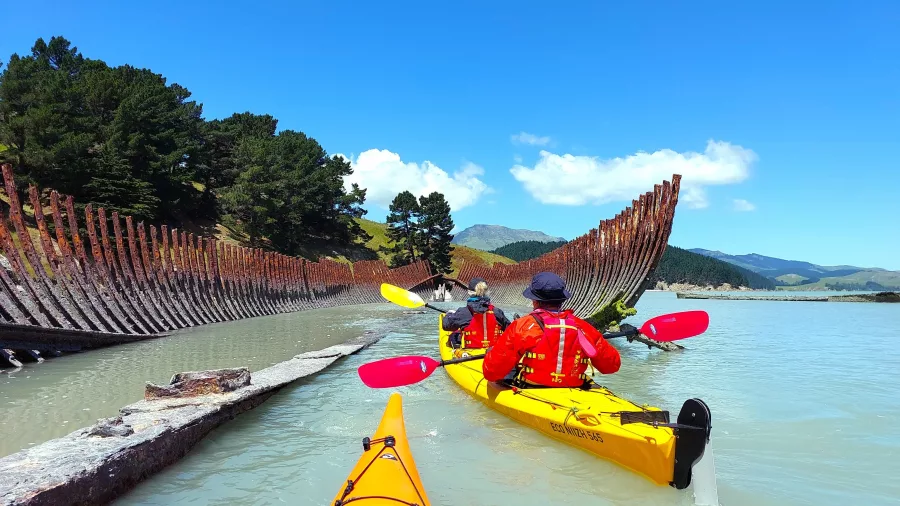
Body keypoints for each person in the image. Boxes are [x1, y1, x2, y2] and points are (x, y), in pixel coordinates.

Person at [482, 272, 621, 387]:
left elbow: (491, 372)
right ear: (562, 300)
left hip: (533, 389)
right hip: (575, 389)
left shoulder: (522, 326)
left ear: (534, 301)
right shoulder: (583, 327)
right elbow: (612, 366)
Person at [442, 277, 511, 349]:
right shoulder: (497, 312)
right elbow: (510, 330)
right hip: (493, 353)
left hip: (470, 355)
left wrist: (449, 314)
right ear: (486, 292)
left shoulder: (463, 312)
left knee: (453, 336)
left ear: (469, 292)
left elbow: (446, 326)